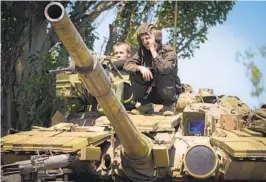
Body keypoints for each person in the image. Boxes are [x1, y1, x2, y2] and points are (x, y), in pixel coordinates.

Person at [123, 23, 179, 116]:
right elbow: (127, 65)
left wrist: (153, 49)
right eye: (142, 39)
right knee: (134, 73)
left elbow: (164, 68)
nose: (145, 41)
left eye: (147, 38)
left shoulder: (169, 51)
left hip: (168, 92)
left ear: (155, 38)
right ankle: (145, 106)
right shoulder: (142, 53)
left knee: (163, 73)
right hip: (150, 92)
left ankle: (168, 106)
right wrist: (140, 67)